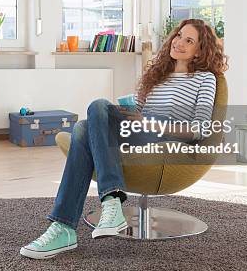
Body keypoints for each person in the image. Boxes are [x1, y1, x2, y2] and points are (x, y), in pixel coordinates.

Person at [20, 19, 228, 260]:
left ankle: (69, 224)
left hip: (166, 141)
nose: (179, 43)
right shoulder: (159, 75)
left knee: (84, 128)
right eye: (179, 35)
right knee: (92, 116)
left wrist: (153, 124)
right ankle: (103, 207)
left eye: (189, 40)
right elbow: (138, 113)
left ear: (200, 51)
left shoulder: (205, 79)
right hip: (139, 133)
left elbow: (201, 129)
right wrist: (130, 114)